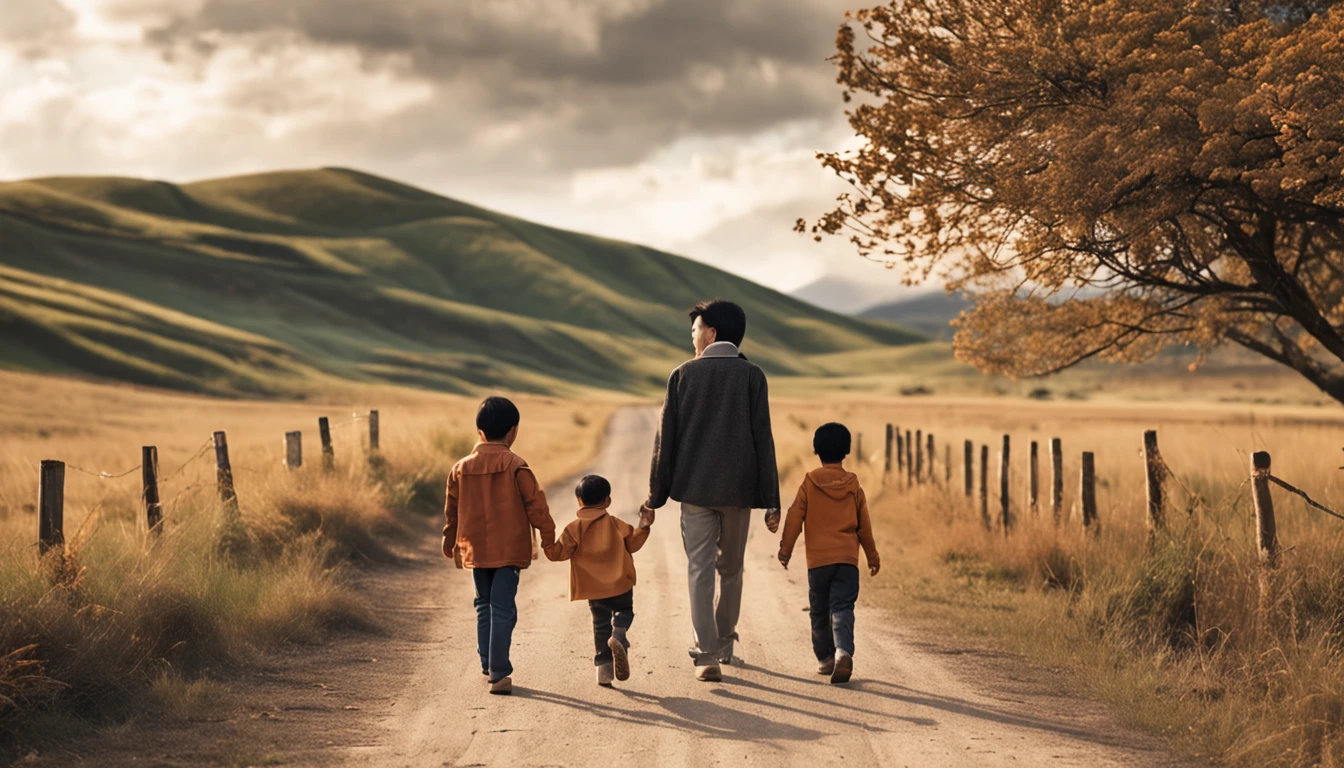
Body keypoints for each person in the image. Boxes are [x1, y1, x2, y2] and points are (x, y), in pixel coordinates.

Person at [644, 298, 781, 682]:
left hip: (696, 492)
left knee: (699, 571)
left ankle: (706, 654)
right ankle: (724, 642)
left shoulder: (682, 376)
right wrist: (772, 500)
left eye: (695, 331)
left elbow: (664, 442)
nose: (692, 338)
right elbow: (763, 441)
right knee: (732, 570)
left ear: (712, 333)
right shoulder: (753, 376)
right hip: (739, 494)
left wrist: (654, 498)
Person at [443, 396, 556, 695]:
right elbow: (537, 506)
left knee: (483, 605)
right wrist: (548, 538)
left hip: (476, 550)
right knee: (503, 608)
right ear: (513, 431)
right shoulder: (516, 465)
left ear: (479, 432)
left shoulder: (460, 468)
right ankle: (499, 673)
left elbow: (451, 510)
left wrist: (449, 540)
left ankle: (487, 663)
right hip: (509, 551)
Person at [777, 422, 881, 685]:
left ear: (816, 450)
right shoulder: (853, 484)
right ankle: (843, 651)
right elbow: (864, 525)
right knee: (843, 606)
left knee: (820, 610)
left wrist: (785, 550)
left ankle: (825, 659)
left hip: (818, 562)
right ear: (846, 451)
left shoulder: (810, 482)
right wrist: (872, 556)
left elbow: (794, 517)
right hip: (847, 560)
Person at [545, 475, 654, 686]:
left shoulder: (573, 529)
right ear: (607, 501)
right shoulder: (615, 524)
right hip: (620, 583)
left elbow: (556, 554)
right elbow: (633, 544)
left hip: (592, 589)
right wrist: (644, 525)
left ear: (579, 501)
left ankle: (603, 669)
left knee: (600, 625)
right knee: (624, 611)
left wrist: (547, 539)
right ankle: (619, 632)